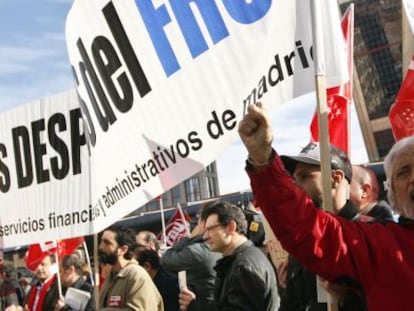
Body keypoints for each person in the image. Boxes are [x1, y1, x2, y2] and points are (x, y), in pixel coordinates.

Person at [238, 102, 414, 311]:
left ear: (336, 178)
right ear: (394, 194)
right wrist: (262, 160)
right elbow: (305, 226)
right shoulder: (375, 246)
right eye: (404, 172)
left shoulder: (365, 237)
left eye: (304, 176)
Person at [276, 142, 374, 310]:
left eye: (304, 176)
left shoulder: (369, 236)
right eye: (294, 179)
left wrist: (348, 300)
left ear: (336, 178)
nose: (295, 187)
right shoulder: (303, 240)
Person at [180, 201, 280, 311]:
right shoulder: (243, 260)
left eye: (210, 229)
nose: (205, 236)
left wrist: (196, 307)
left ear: (231, 227)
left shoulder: (244, 267)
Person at [161, 203, 221, 311]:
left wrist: (189, 238)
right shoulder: (224, 247)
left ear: (203, 224)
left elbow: (167, 260)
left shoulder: (196, 251)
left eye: (198, 221)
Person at [98, 225, 164, 310]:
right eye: (101, 241)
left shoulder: (136, 275)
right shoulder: (111, 277)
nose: (101, 247)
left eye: (107, 243)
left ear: (123, 250)